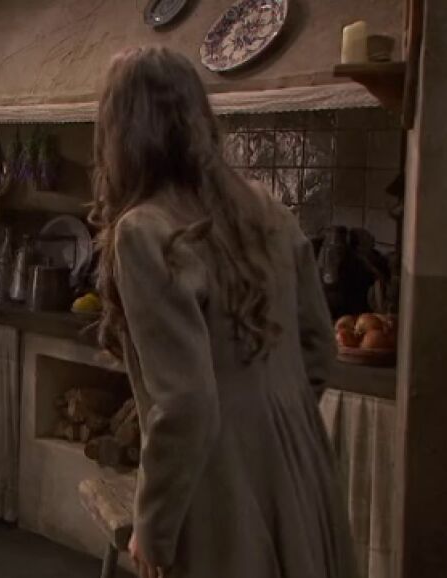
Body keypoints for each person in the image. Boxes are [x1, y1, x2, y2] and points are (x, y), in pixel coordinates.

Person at [89, 47, 356, 578]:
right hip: (300, 468)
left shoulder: (144, 230)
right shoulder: (267, 208)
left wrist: (154, 526)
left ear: (119, 134)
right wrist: (272, 422)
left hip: (223, 488)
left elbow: (185, 401)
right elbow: (319, 350)